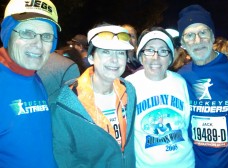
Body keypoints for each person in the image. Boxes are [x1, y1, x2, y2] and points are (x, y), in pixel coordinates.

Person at [176, 4, 228, 168]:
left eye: (203, 32)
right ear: (183, 43)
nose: (197, 40)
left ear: (212, 36)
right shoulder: (181, 77)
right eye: (189, 35)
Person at [49, 24, 136, 168]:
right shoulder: (65, 103)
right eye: (106, 52)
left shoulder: (129, 92)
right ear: (91, 57)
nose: (114, 60)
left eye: (120, 52)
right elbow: (64, 159)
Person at [0, 0, 60, 167]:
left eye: (47, 36)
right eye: (27, 33)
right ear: (7, 34)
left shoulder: (33, 77)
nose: (38, 44)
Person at [126, 27, 195, 168]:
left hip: (185, 164)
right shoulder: (129, 85)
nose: (155, 57)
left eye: (163, 51)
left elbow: (187, 123)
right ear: (141, 55)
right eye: (150, 50)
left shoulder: (181, 82)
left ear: (170, 57)